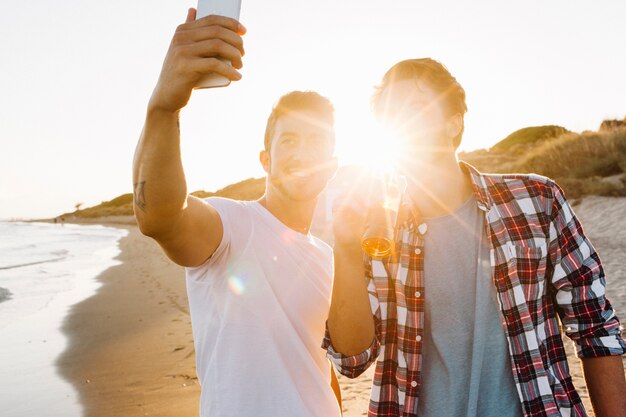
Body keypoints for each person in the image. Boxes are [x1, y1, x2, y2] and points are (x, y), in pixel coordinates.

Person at [325, 58, 626, 417]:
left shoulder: (536, 200)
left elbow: (595, 327)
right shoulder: (377, 229)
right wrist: (344, 247)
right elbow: (352, 358)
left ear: (455, 124)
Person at [132, 9, 342, 417]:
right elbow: (159, 217)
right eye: (290, 140)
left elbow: (314, 356)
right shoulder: (232, 225)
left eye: (317, 141)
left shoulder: (328, 256)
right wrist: (164, 106)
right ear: (266, 158)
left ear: (332, 164)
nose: (302, 152)